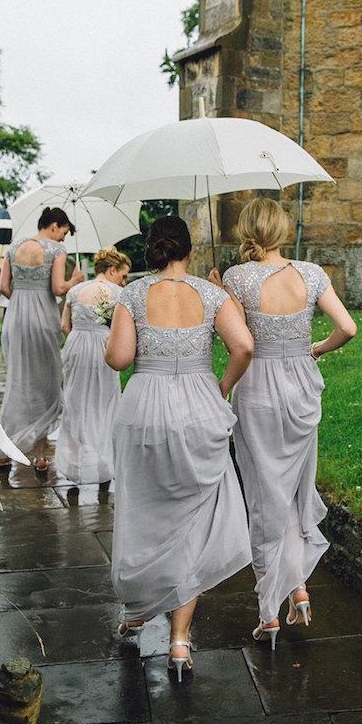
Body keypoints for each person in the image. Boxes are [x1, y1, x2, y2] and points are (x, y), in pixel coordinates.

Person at [105, 215, 254, 682]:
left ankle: (136, 611)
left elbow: (119, 358)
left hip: (144, 407)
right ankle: (179, 640)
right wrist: (221, 387)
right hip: (199, 406)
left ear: (153, 248)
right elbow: (244, 346)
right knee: (192, 519)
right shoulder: (212, 295)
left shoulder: (131, 294)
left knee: (143, 511)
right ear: (188, 250)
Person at [218, 198, 356, 650]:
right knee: (296, 491)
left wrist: (220, 292)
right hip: (302, 386)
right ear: (282, 229)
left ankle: (268, 613)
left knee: (263, 495)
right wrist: (316, 347)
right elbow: (348, 329)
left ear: (248, 230)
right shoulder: (312, 273)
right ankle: (297, 589)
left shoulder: (238, 277)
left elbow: (237, 343)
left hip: (258, 389)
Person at [0, 207, 84, 478]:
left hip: (15, 319)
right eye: (64, 233)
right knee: (45, 382)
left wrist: (22, 301)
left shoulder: (13, 247)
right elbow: (58, 288)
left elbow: (3, 287)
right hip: (43, 319)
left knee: (18, 380)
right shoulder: (56, 252)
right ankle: (40, 454)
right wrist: (75, 281)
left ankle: (3, 452)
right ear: (55, 225)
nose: (63, 240)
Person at [53, 247, 132, 486]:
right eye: (123, 275)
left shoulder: (75, 291)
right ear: (111, 270)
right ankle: (104, 463)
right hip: (104, 347)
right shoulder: (119, 294)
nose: (124, 280)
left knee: (75, 402)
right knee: (107, 402)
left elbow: (64, 326)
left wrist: (79, 342)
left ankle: (73, 463)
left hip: (75, 347)